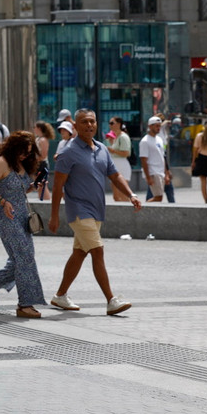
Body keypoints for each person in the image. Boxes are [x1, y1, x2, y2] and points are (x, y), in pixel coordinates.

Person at [48, 109, 142, 315]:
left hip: (97, 210)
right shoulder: (68, 152)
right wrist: (54, 215)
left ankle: (60, 296)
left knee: (80, 253)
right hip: (79, 211)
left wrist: (131, 195)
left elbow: (115, 175)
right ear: (75, 126)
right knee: (97, 251)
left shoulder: (101, 149)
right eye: (84, 122)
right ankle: (111, 300)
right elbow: (57, 187)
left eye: (92, 121)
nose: (89, 125)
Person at [0, 131, 47, 318]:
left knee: (22, 258)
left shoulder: (19, 163)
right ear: (14, 148)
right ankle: (25, 305)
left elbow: (20, 189)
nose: (25, 155)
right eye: (22, 151)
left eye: (28, 152)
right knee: (25, 258)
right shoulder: (2, 163)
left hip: (22, 217)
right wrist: (2, 201)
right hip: (8, 218)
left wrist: (34, 186)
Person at [105, 116, 132, 201]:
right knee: (116, 197)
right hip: (115, 168)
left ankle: (131, 212)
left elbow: (126, 153)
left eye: (112, 123)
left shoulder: (123, 137)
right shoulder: (117, 137)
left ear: (119, 124)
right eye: (109, 123)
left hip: (122, 167)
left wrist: (113, 150)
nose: (110, 125)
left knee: (123, 195)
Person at [33, 121, 55, 201]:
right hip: (37, 165)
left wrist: (34, 159)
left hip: (42, 165)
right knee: (39, 185)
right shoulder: (38, 139)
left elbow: (43, 155)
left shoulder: (43, 140)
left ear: (39, 128)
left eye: (34, 127)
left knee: (42, 184)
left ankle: (46, 203)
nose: (33, 129)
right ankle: (41, 201)